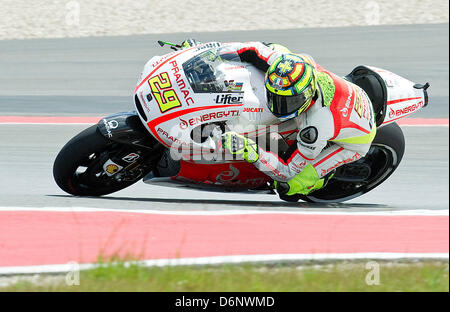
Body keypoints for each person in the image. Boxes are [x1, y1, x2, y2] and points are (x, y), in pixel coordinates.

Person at [182, 40, 377, 197]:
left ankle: (323, 178)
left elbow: (288, 170)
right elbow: (253, 49)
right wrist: (207, 53)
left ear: (306, 95)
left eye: (287, 101)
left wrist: (251, 150)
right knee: (272, 47)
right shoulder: (292, 63)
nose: (276, 105)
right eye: (274, 97)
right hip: (342, 96)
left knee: (288, 186)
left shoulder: (315, 129)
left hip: (357, 138)